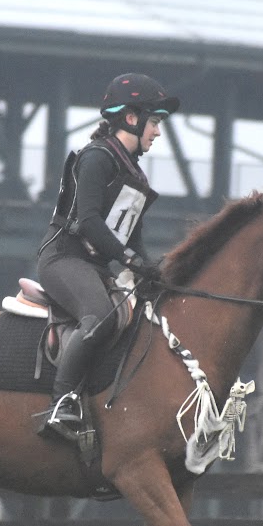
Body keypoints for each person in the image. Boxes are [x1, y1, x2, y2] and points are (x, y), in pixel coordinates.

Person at [35, 72, 178, 438]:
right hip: (63, 260)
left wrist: (150, 269)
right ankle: (61, 403)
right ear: (131, 118)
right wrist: (131, 261)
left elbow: (134, 236)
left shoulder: (135, 173)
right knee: (99, 316)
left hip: (95, 266)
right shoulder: (97, 158)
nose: (158, 132)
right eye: (155, 121)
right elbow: (89, 223)